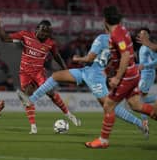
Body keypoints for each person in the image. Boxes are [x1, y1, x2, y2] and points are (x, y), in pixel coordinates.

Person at [17, 33, 149, 138]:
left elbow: (90, 58)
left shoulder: (104, 39)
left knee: (108, 106)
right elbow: (114, 63)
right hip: (86, 71)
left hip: (94, 76)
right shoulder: (118, 45)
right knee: (56, 76)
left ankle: (140, 123)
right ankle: (31, 100)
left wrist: (77, 59)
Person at [0, 13, 80, 134]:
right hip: (25, 73)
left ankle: (69, 114)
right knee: (27, 97)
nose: (44, 34)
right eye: (43, 31)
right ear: (37, 29)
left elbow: (56, 56)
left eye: (47, 32)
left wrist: (66, 69)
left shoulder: (50, 43)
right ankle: (33, 127)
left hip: (39, 73)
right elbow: (4, 38)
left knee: (50, 93)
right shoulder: (25, 36)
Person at [84, 6, 157, 148]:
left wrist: (117, 77)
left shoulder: (117, 34)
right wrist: (111, 68)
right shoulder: (122, 30)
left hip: (127, 76)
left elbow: (125, 55)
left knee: (108, 105)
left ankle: (103, 141)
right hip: (132, 72)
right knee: (136, 105)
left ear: (104, 20)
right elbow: (123, 55)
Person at [137, 27, 157, 128]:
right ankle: (145, 123)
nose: (142, 35)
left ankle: (144, 123)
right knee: (141, 99)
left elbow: (156, 61)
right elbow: (142, 63)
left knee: (140, 99)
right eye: (141, 34)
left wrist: (145, 66)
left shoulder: (149, 47)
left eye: (144, 34)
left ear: (148, 36)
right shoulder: (142, 47)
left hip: (148, 74)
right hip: (144, 74)